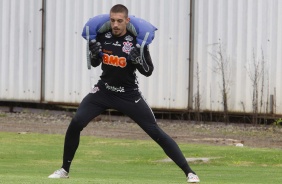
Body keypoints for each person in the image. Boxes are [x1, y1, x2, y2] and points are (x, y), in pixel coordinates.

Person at [48, 4, 200, 183]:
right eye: (112, 20)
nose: (115, 24)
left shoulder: (136, 40)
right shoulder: (102, 37)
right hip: (103, 91)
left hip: (128, 94)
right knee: (76, 122)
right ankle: (64, 169)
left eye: (120, 21)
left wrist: (138, 58)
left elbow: (148, 71)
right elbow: (96, 63)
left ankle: (189, 172)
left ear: (127, 21)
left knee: (155, 131)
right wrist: (95, 53)